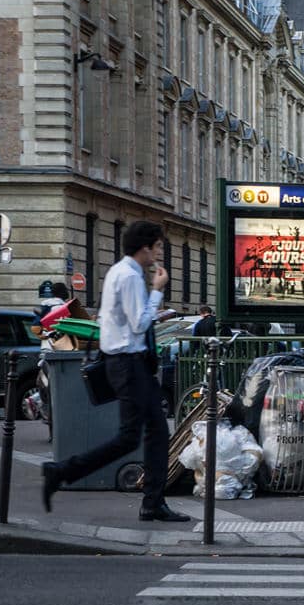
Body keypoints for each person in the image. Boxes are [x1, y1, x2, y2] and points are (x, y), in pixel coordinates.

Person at [41, 221, 190, 523]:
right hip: (129, 364)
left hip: (126, 363)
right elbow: (139, 323)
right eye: (158, 246)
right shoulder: (131, 277)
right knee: (132, 437)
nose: (161, 251)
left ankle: (152, 502)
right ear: (145, 248)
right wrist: (158, 292)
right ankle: (62, 471)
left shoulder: (121, 273)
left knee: (154, 433)